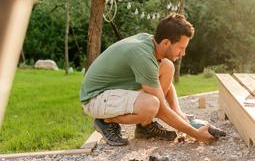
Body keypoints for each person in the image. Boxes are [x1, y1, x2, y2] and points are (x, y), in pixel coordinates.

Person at [80, 13, 213, 145]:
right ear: (166, 43)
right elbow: (161, 110)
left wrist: (179, 113)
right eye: (181, 48)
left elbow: (163, 85)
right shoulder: (143, 56)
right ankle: (105, 121)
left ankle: (144, 126)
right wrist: (195, 133)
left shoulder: (151, 43)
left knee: (168, 67)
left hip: (111, 91)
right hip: (94, 98)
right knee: (151, 105)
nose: (183, 53)